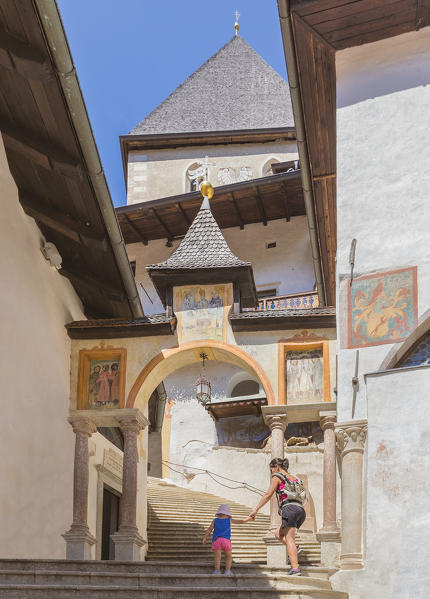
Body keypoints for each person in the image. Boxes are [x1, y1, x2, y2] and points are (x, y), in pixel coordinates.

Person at [248, 458, 306, 576]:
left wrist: (256, 509)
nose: (271, 473)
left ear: (277, 467)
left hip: (289, 509)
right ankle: (295, 548)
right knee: (277, 534)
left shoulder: (277, 476)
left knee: (289, 539)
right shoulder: (295, 478)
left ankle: (295, 569)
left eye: (271, 470)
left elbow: (268, 494)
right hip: (300, 510)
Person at [202, 503, 254, 576]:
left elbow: (209, 529)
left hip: (217, 540)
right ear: (227, 514)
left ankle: (217, 571)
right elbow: (241, 521)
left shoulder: (215, 520)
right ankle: (227, 571)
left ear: (219, 513)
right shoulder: (229, 520)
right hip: (226, 541)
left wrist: (205, 537)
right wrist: (249, 519)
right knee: (229, 556)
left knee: (217, 557)